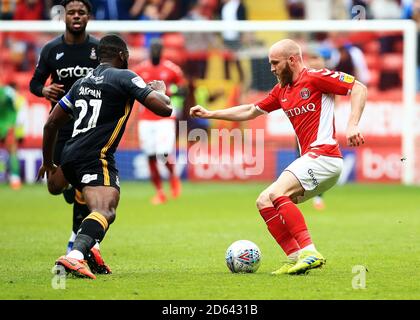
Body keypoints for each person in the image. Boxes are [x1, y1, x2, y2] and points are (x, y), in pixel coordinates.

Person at [190, 39, 367, 275]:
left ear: (292, 60)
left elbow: (359, 88)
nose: (272, 68)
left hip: (324, 155)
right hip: (313, 159)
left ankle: (310, 251)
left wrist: (353, 124)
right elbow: (251, 110)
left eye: (275, 63)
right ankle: (296, 257)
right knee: (264, 200)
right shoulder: (282, 91)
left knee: (276, 193)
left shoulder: (315, 77)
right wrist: (212, 113)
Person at [37, 34, 173, 279]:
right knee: (106, 209)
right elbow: (165, 109)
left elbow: (50, 125)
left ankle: (93, 249)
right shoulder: (125, 77)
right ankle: (75, 256)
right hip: (96, 157)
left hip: (69, 154)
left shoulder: (81, 82)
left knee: (69, 191)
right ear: (123, 56)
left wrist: (48, 162)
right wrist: (161, 91)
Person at [28, 0, 108, 272]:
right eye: (72, 12)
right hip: (61, 127)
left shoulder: (98, 50)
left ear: (89, 16)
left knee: (83, 184)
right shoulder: (52, 49)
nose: (76, 16)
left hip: (89, 129)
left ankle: (78, 240)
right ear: (65, 16)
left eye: (81, 12)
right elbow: (35, 82)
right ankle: (73, 197)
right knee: (56, 187)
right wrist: (43, 91)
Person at [133, 38, 185, 204]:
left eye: (158, 48)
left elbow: (182, 88)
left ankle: (174, 180)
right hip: (146, 119)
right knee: (150, 156)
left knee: (163, 154)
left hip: (164, 118)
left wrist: (169, 93)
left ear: (161, 51)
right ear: (149, 50)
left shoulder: (171, 69)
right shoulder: (140, 69)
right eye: (153, 48)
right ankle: (160, 192)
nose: (155, 51)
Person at [0, 84, 23, 190]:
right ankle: (14, 179)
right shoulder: (8, 92)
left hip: (7, 124)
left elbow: (19, 104)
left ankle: (14, 179)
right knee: (12, 151)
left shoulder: (7, 91)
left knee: (12, 151)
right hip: (6, 124)